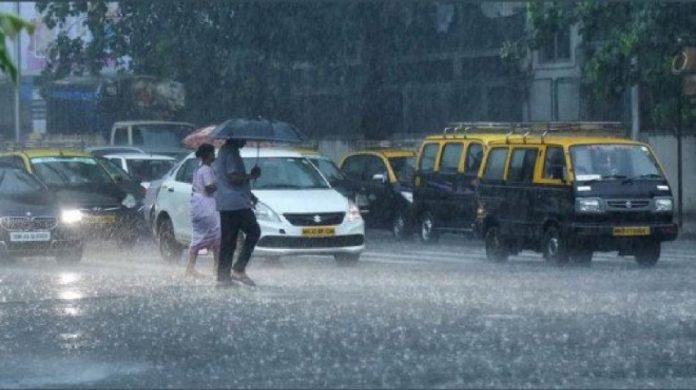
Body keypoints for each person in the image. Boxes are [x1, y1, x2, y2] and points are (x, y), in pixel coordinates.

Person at [214, 138, 261, 286]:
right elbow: (233, 177)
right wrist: (251, 176)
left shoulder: (222, 151)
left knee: (228, 241)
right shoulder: (232, 153)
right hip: (236, 203)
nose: (246, 141)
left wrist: (250, 195)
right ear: (236, 138)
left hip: (226, 203)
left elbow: (225, 179)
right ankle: (239, 269)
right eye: (243, 138)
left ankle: (223, 276)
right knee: (254, 231)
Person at [186, 143, 220, 277]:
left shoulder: (199, 169)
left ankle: (190, 268)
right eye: (212, 153)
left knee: (198, 237)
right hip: (206, 206)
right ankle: (217, 268)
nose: (214, 155)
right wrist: (221, 182)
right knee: (218, 235)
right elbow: (209, 188)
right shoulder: (206, 169)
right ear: (207, 155)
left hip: (198, 206)